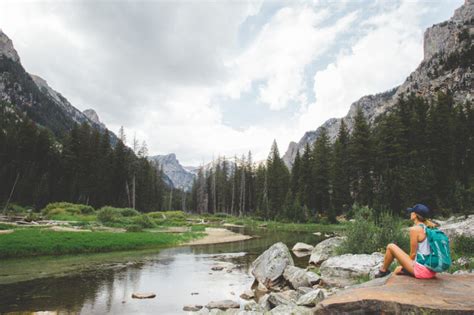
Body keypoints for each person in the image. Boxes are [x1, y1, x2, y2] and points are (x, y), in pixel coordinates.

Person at [374, 204, 437, 279]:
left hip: (422, 271)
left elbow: (413, 255)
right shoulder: (430, 228)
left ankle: (382, 271)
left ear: (414, 215)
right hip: (431, 271)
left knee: (390, 246)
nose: (410, 214)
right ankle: (385, 272)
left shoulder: (415, 229)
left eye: (411, 212)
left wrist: (404, 264)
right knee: (397, 269)